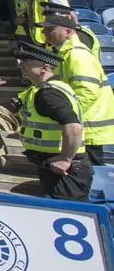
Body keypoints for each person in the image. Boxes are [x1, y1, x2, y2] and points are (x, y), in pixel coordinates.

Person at [13, 41, 93, 201]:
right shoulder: (54, 88)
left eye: (26, 62)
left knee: (70, 214)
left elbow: (74, 127)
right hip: (56, 165)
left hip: (63, 170)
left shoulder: (48, 94)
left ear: (44, 67)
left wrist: (65, 159)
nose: (21, 65)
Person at [41, 9, 114, 165]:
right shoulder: (65, 53)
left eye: (50, 29)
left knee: (89, 175)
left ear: (68, 32)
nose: (45, 32)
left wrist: (66, 115)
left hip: (88, 128)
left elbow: (86, 92)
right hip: (83, 126)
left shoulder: (77, 54)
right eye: (44, 29)